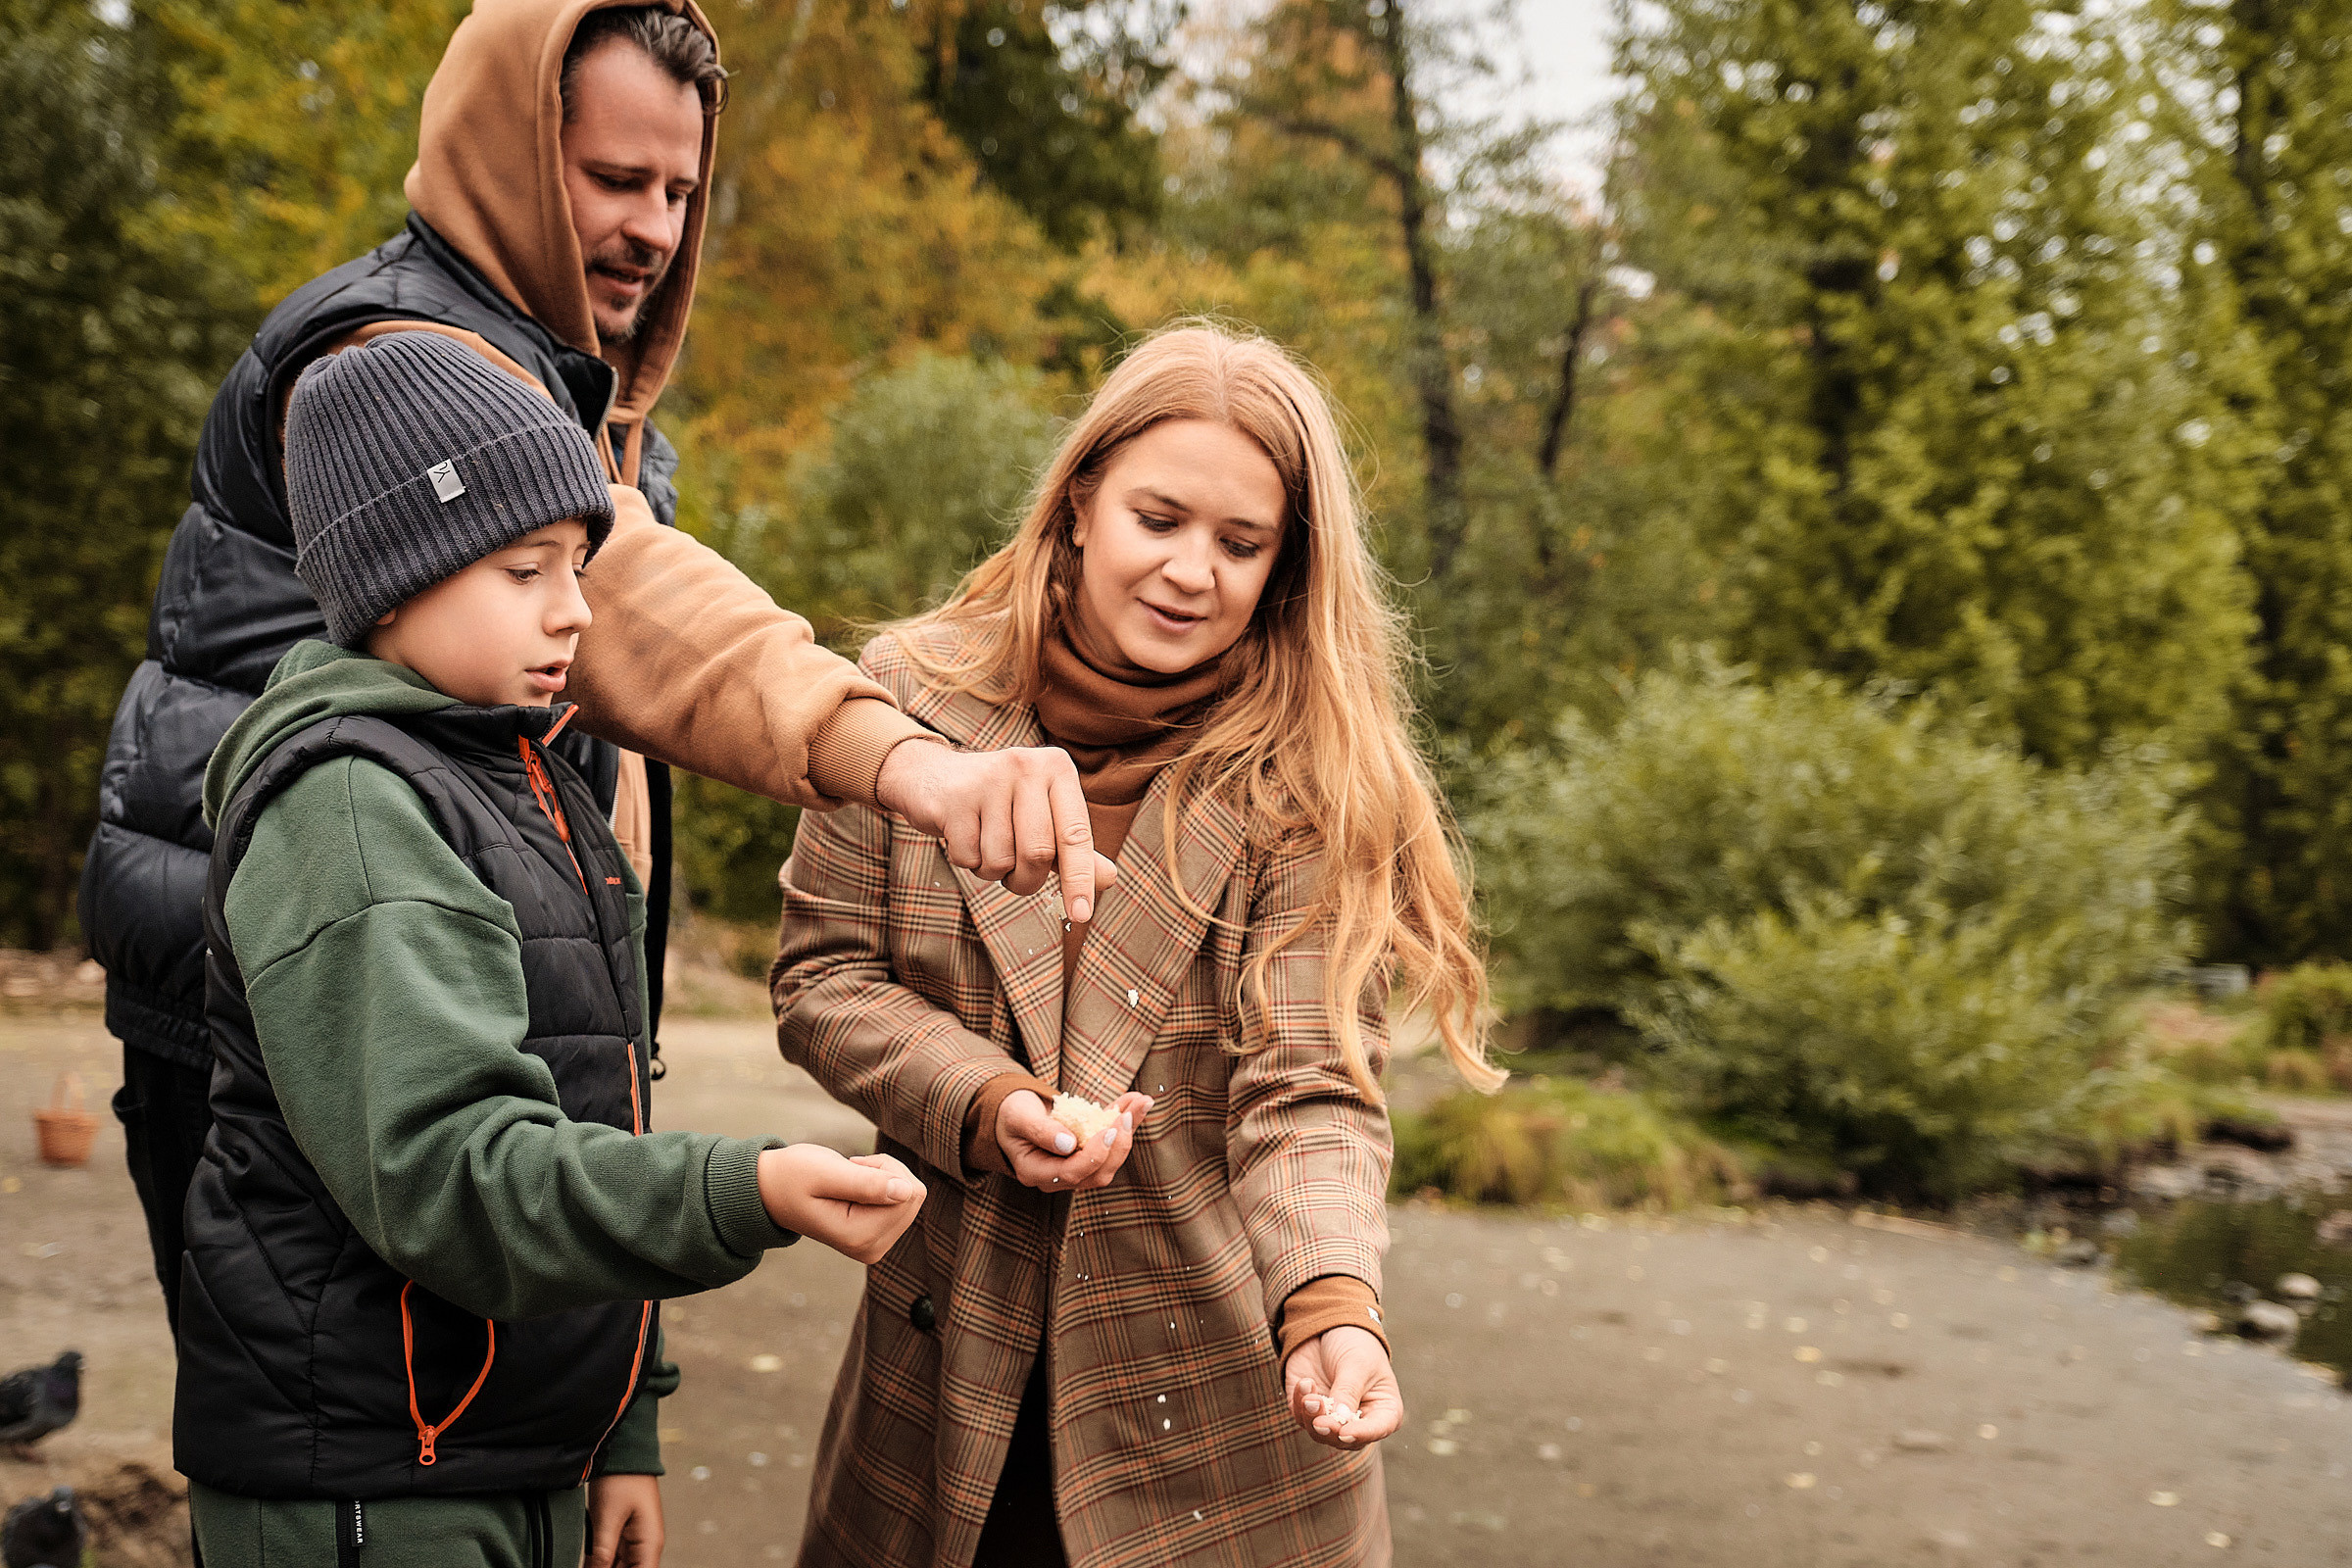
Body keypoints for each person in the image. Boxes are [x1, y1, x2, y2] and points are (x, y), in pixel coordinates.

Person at [78, 0, 1110, 1336]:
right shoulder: (392, 362)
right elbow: (645, 610)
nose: (656, 231)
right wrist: (907, 760)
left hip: (473, 980)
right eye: (615, 180)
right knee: (343, 1440)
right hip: (305, 1006)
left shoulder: (591, 402)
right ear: (508, 155)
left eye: (681, 189)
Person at [180, 332, 928, 1568]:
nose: (576, 608)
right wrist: (745, 1188)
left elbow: (597, 1095)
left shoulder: (526, 772)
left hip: (511, 1453)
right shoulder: (356, 811)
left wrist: (620, 1429)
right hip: (375, 1476)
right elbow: (457, 1174)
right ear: (390, 578)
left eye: (579, 564)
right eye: (525, 568)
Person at [772, 323, 1504, 1568]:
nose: (1189, 571)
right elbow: (824, 979)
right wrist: (988, 1100)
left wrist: (1332, 1302)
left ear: (1283, 571)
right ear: (1077, 508)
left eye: (1239, 544)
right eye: (1158, 519)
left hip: (1222, 1431)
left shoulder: (1306, 782)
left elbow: (1310, 1084)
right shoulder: (900, 703)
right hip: (938, 1410)